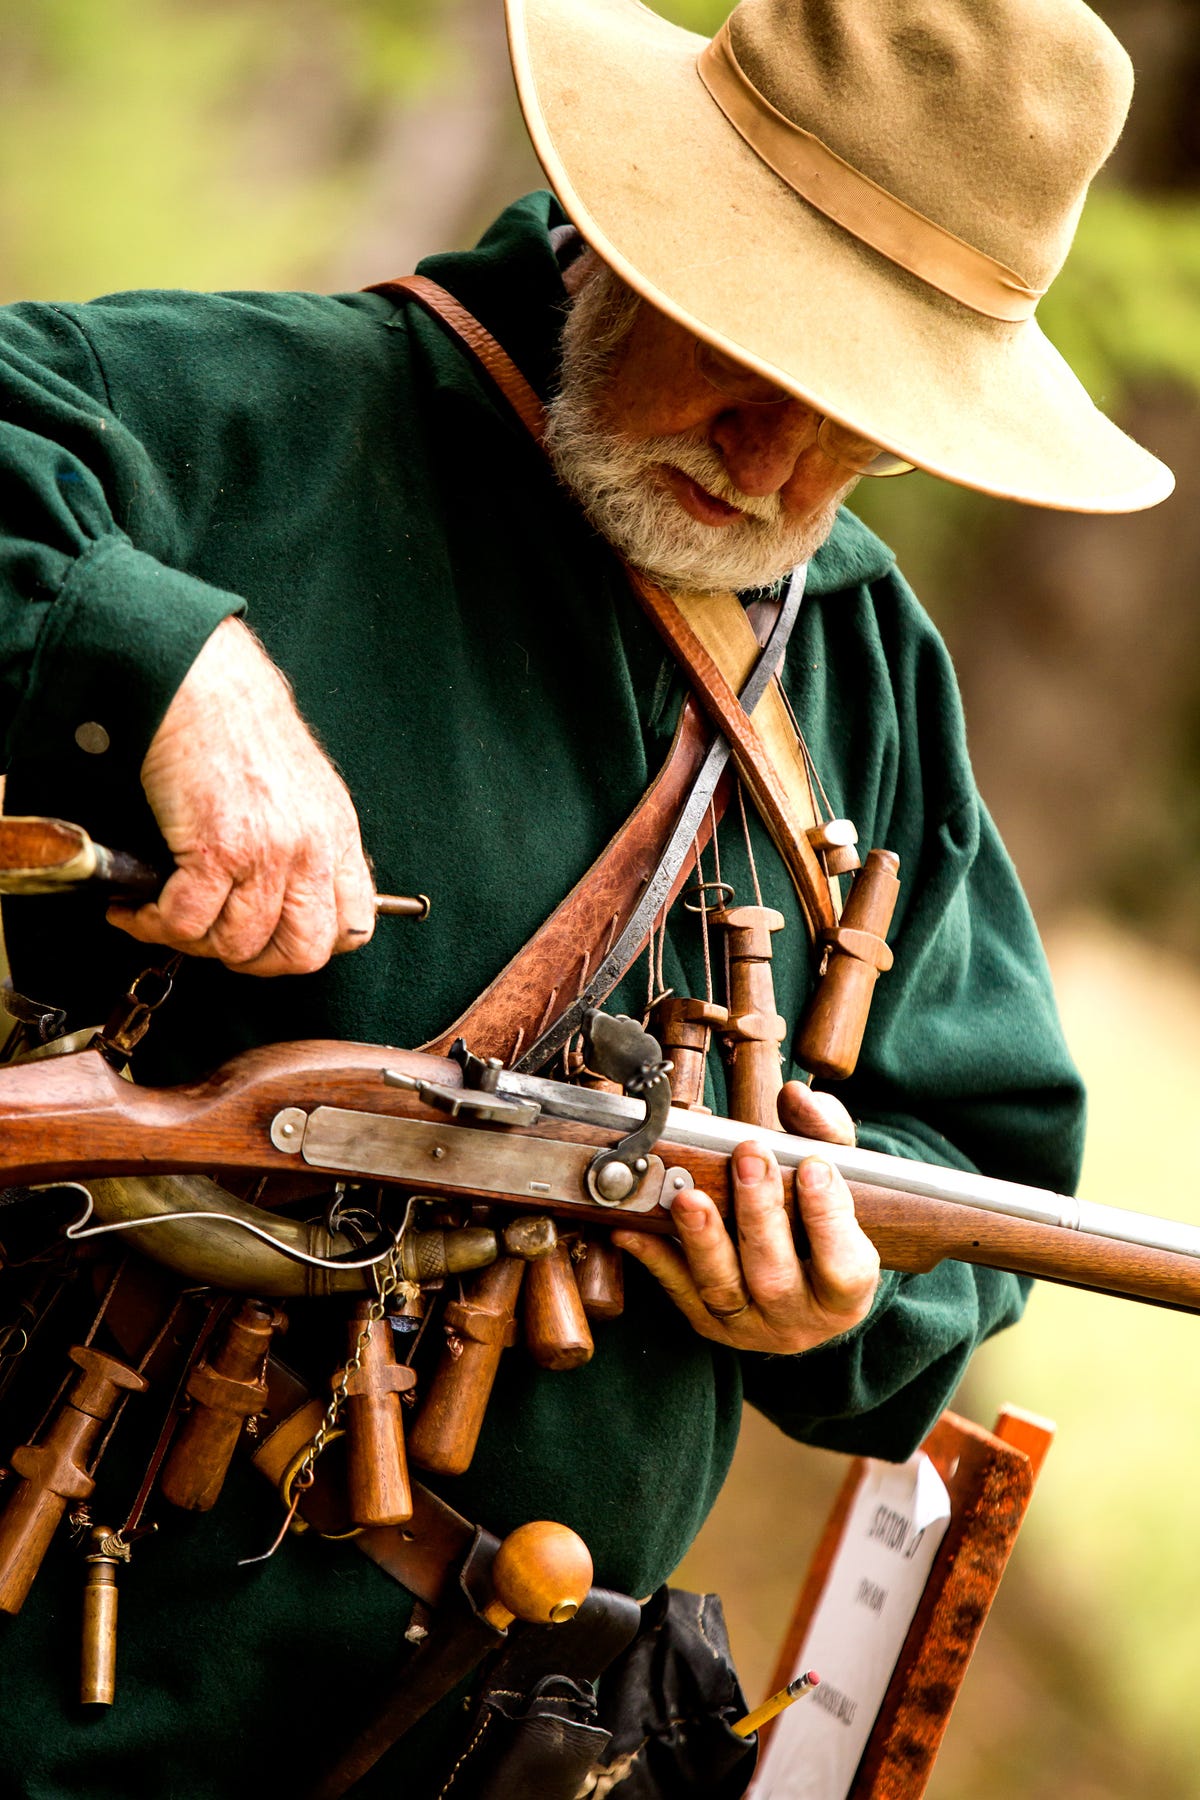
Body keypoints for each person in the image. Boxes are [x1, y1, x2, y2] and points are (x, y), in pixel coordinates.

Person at [0, 0, 1172, 1794]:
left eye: (863, 424)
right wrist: (169, 663)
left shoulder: (856, 665)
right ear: (635, 230)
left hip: (504, 1739)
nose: (777, 469)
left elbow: (976, 1161)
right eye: (755, 363)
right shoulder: (253, 416)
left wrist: (840, 1301)